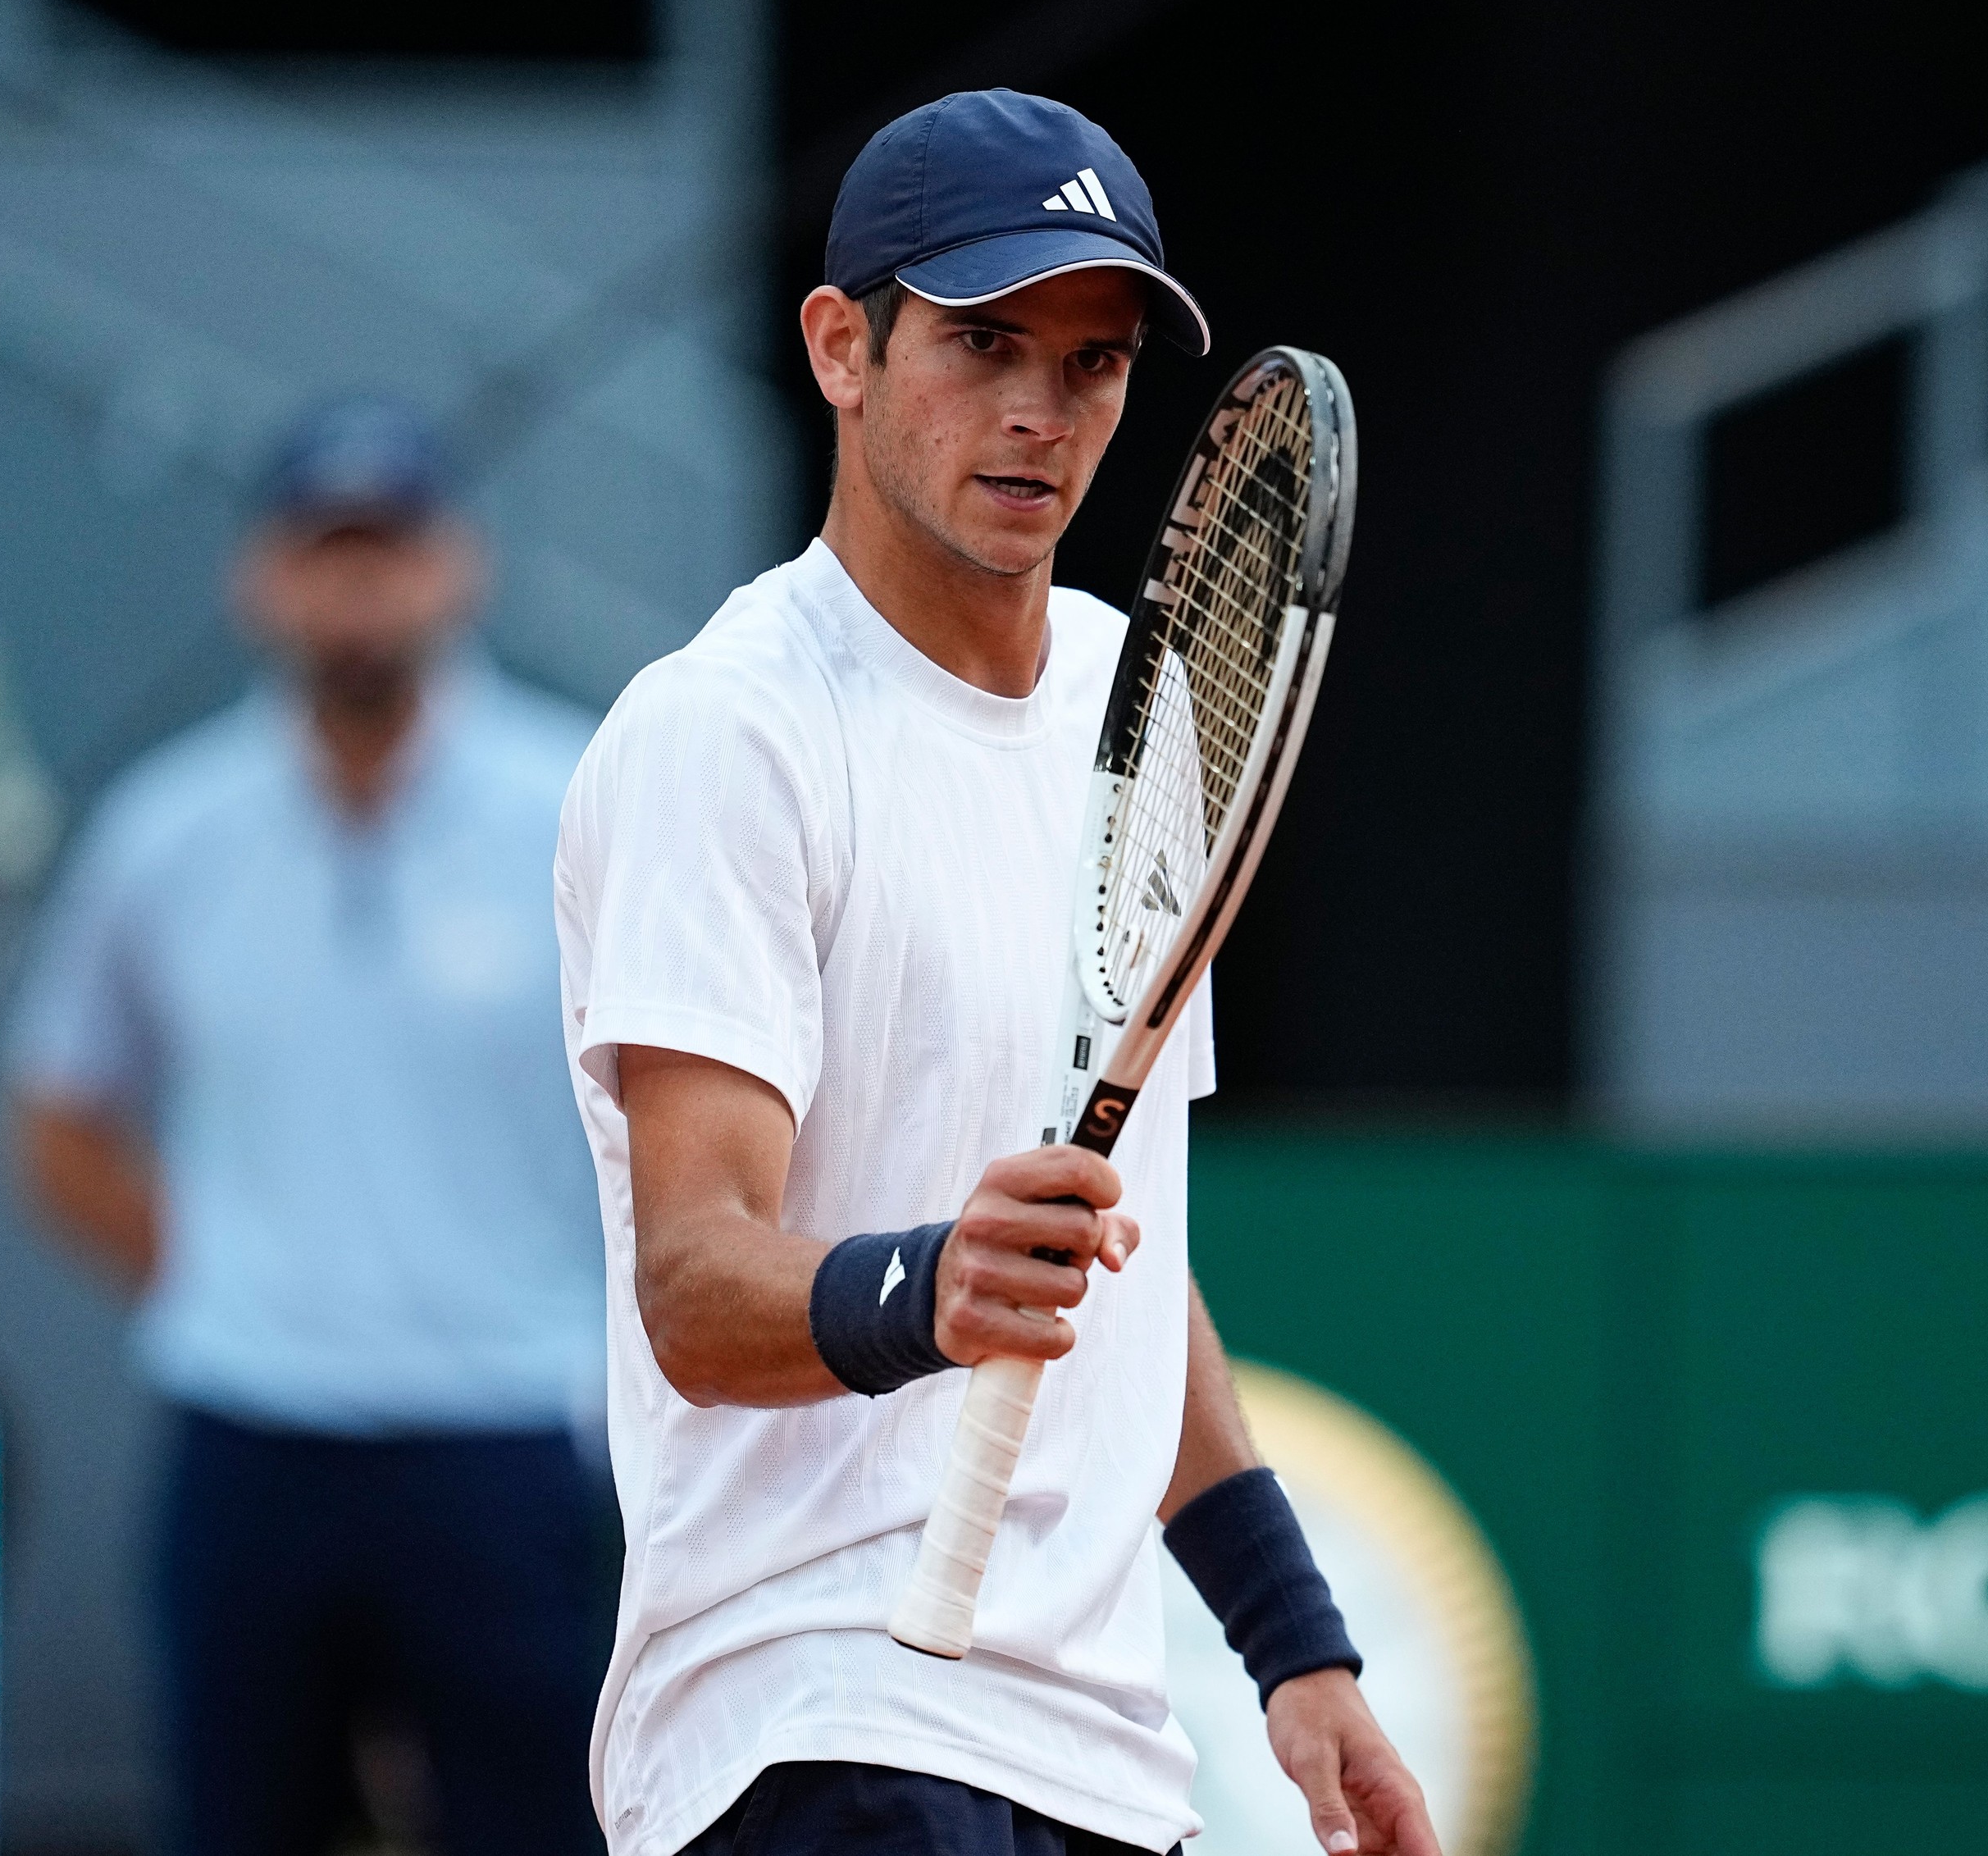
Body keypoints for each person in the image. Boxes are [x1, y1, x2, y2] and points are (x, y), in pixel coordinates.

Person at [554, 90, 1439, 1856]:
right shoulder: (726, 732)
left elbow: (1123, 1256)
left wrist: (1294, 1647)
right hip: (806, 1712)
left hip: (1095, 1744)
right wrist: (923, 1283)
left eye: (1094, 363)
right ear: (840, 347)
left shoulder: (1143, 707)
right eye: (982, 342)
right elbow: (692, 1280)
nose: (1040, 412)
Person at [7, 398, 608, 1856]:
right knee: (239, 1820)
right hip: (253, 1429)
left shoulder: (584, 801)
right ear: (259, 578)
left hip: (508, 1426)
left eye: (390, 548)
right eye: (326, 550)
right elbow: (58, 1108)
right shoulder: (169, 829)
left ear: (460, 567)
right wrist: (222, 1275)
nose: (360, 587)